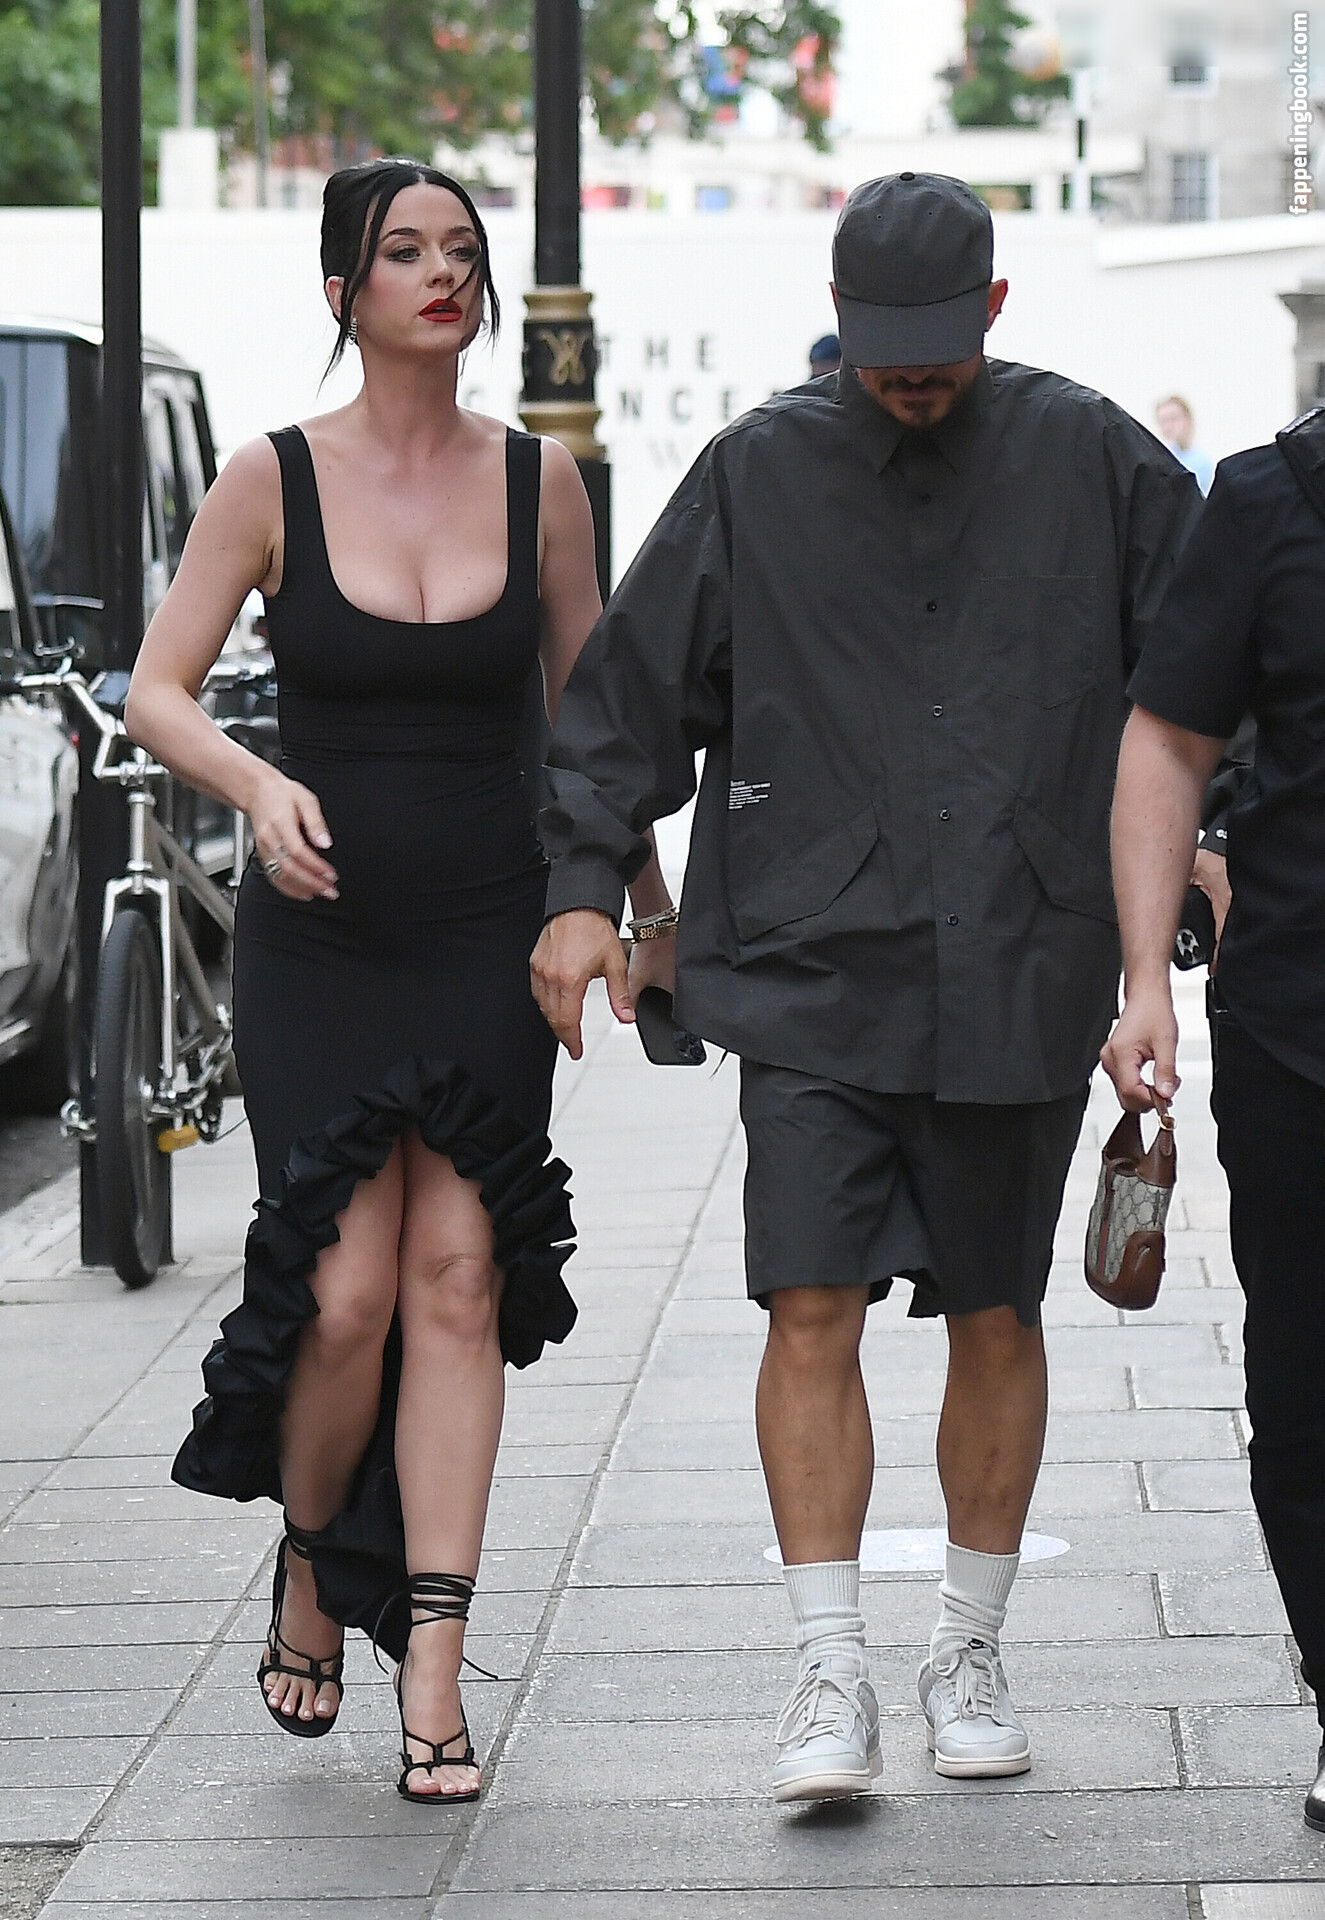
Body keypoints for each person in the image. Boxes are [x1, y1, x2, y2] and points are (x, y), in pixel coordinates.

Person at [531, 171, 1202, 1802]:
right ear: (838, 312)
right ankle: (828, 1668)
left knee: (997, 1306)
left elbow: (1210, 675)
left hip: (1021, 950)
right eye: (883, 339)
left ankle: (968, 1650)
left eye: (941, 339)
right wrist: (580, 891)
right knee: (808, 1299)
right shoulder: (756, 470)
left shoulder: (1094, 458)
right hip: (810, 960)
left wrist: (1211, 855)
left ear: (996, 307)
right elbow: (624, 703)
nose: (910, 370)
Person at [126, 158, 670, 1802]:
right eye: (404, 251)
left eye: (462, 251)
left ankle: (433, 1658)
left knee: (457, 1283)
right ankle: (311, 1557)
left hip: (489, 930)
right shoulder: (270, 476)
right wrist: (256, 786)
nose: (443, 273)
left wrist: (637, 909)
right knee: (345, 1292)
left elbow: (593, 723)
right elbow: (157, 691)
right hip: (325, 938)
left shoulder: (541, 483)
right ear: (342, 291)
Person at [1101, 409, 1325, 1835]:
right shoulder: (1266, 499)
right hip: (1301, 1021)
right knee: (1304, 1390)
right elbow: (1168, 741)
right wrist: (1145, 982)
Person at [1155, 394, 1215, 495]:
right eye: (1163, 421)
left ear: (1188, 420)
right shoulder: (1158, 459)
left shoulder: (1202, 461)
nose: (1168, 427)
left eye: (1173, 419)